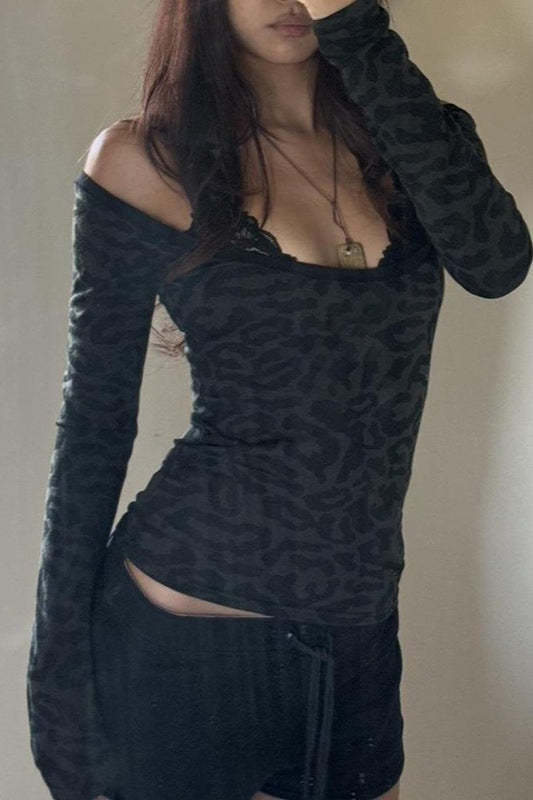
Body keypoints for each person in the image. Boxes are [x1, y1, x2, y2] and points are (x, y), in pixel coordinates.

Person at [26, 1, 532, 799]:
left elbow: (496, 264)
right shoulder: (146, 158)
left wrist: (357, 33)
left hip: (359, 631)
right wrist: (56, 689)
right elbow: (93, 423)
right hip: (189, 634)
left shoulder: (411, 138)